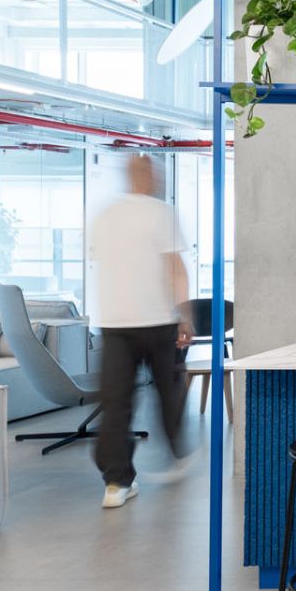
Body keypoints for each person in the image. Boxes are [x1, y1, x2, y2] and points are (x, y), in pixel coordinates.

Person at [86, 154, 193, 509]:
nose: (158, 177)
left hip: (116, 322)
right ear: (148, 176)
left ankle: (117, 482)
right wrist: (184, 316)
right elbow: (176, 269)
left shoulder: (104, 215)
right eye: (154, 172)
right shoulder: (161, 212)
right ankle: (174, 454)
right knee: (167, 391)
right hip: (155, 319)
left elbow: (102, 263)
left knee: (117, 403)